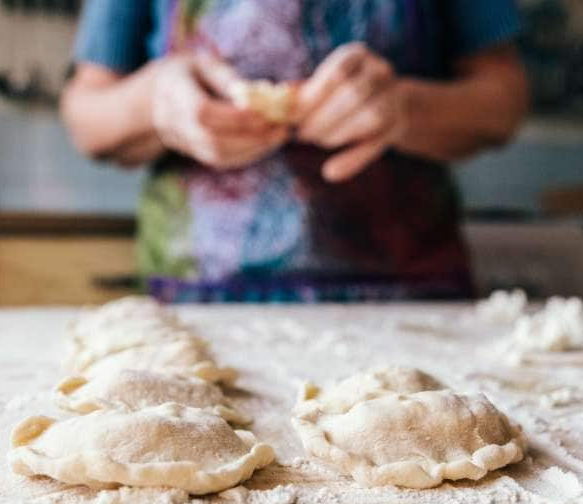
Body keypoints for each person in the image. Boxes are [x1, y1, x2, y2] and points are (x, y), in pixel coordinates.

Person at [62, 0, 528, 302]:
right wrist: (155, 101)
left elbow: (504, 100)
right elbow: (86, 115)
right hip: (198, 299)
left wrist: (403, 108)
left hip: (412, 299)